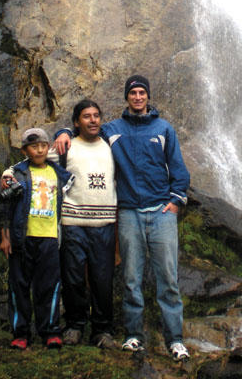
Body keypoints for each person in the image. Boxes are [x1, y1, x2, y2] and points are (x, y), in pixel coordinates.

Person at [54, 75, 191, 361]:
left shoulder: (164, 128)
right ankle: (132, 335)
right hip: (129, 212)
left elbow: (178, 167)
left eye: (142, 92)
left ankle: (175, 339)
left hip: (161, 211)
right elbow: (85, 129)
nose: (138, 97)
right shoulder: (112, 129)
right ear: (127, 97)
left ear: (148, 96)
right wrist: (64, 129)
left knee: (168, 278)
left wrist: (176, 201)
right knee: (130, 278)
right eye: (133, 93)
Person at [2, 100, 117, 348]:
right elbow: (33, 159)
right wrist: (8, 174)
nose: (93, 120)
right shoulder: (64, 148)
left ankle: (102, 330)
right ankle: (74, 326)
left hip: (105, 223)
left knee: (103, 280)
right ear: (76, 122)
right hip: (73, 222)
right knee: (73, 278)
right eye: (86, 116)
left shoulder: (111, 145)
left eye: (97, 115)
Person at [0, 127, 72, 350]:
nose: (39, 150)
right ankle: (20, 332)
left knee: (49, 286)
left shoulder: (58, 173)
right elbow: (5, 207)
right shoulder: (16, 175)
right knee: (19, 285)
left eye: (43, 145)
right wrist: (5, 236)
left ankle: (50, 331)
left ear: (48, 147)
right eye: (33, 146)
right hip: (23, 237)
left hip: (49, 237)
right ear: (25, 150)